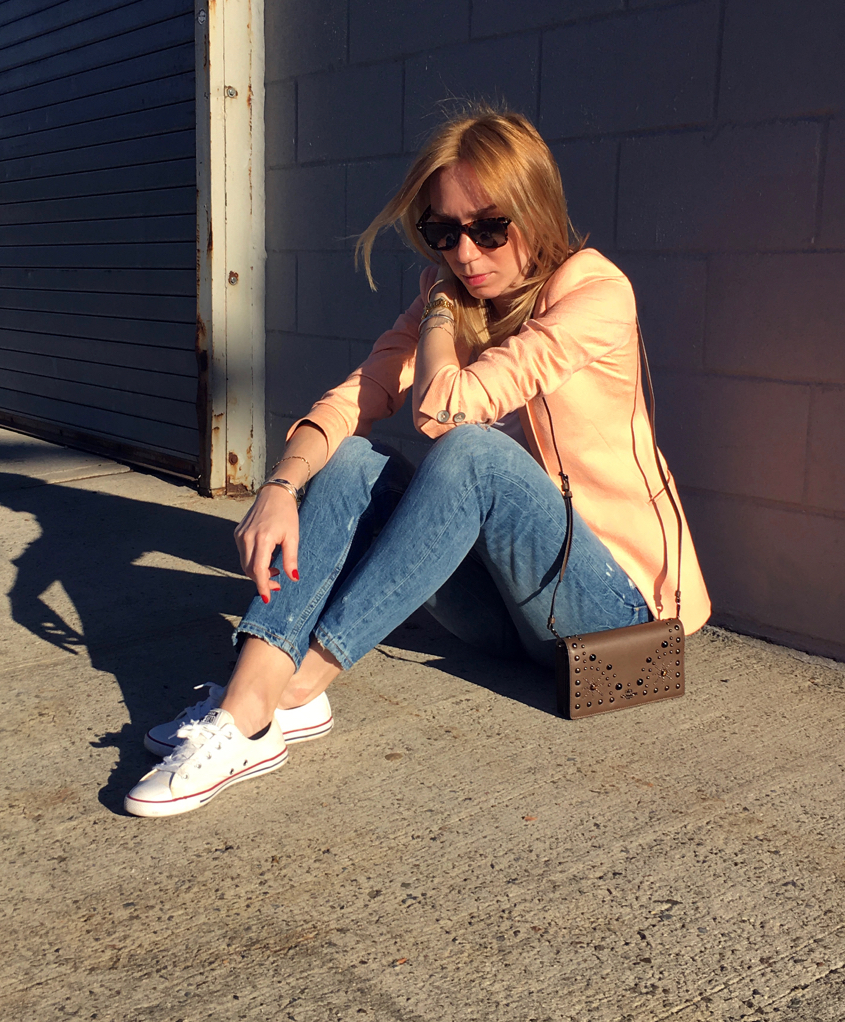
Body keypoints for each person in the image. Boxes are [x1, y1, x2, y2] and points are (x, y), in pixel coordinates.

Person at [124, 107, 711, 818]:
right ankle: (254, 700)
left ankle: (296, 689)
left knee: (473, 455)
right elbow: (357, 398)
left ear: (536, 210)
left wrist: (437, 310)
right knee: (352, 460)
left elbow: (447, 409)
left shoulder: (596, 294)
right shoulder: (459, 301)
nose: (465, 254)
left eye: (489, 227)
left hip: (615, 619)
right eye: (443, 233)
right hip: (509, 613)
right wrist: (280, 485)